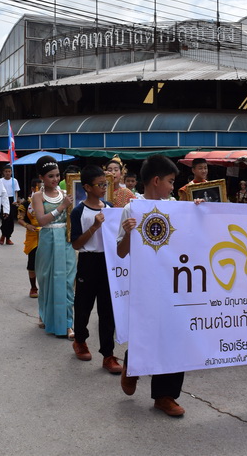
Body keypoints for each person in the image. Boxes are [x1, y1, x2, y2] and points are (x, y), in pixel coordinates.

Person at [117, 154, 187, 417]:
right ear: (156, 181)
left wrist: (198, 210)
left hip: (176, 281)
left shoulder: (176, 206)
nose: (172, 187)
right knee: (148, 331)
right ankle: (132, 364)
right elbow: (121, 252)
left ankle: (165, 396)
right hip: (145, 284)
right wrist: (129, 232)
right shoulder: (131, 209)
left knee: (175, 336)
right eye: (170, 181)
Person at [69, 165, 122, 374]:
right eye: (99, 184)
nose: (103, 188)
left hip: (107, 261)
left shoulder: (109, 207)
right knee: (83, 305)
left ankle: (108, 354)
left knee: (107, 309)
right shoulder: (79, 211)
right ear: (87, 187)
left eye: (105, 184)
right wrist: (94, 226)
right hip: (88, 261)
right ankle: (80, 340)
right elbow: (76, 244)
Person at [32, 156, 76, 338]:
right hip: (48, 238)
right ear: (41, 177)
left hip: (65, 239)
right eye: (51, 176)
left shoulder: (66, 193)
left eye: (57, 175)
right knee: (46, 280)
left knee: (67, 281)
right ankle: (45, 315)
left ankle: (67, 323)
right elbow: (41, 220)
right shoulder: (37, 196)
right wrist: (61, 207)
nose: (55, 179)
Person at [17, 179, 41, 299]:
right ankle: (33, 287)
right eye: (39, 188)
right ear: (33, 189)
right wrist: (27, 225)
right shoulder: (26, 204)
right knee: (32, 263)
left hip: (47, 233)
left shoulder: (49, 201)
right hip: (33, 235)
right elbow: (20, 219)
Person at [0, 166, 20, 245]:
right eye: (6, 171)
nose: (7, 173)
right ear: (3, 172)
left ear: (11, 172)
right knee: (5, 219)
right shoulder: (0, 181)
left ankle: (8, 237)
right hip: (3, 200)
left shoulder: (14, 181)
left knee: (11, 220)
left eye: (9, 171)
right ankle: (3, 235)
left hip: (12, 200)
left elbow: (16, 192)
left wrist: (15, 200)